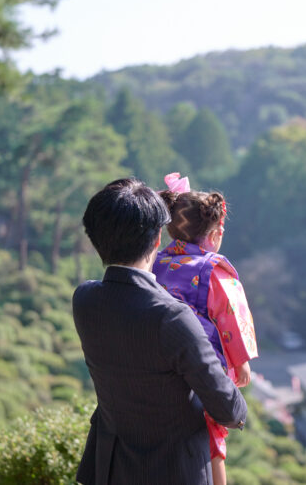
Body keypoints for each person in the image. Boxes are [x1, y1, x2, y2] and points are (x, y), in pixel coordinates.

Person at [73, 178, 247, 485]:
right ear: (157, 240)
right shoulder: (172, 318)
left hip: (111, 469)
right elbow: (228, 409)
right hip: (176, 472)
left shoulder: (85, 300)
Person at [153, 173, 258, 485]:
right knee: (212, 437)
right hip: (201, 366)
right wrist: (241, 363)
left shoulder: (155, 263)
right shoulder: (214, 271)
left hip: (158, 363)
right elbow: (232, 317)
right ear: (215, 233)